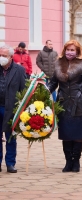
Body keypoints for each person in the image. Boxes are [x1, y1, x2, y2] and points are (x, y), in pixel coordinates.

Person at [48, 40, 82, 173]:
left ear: (78, 51)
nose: (69, 52)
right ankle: (68, 162)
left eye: (72, 50)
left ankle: (76, 161)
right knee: (66, 134)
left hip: (79, 103)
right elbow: (53, 84)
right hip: (63, 103)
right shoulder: (58, 64)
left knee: (78, 134)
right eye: (68, 49)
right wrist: (42, 91)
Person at [0, 45, 26, 173]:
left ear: (11, 57)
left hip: (11, 109)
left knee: (10, 137)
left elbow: (23, 90)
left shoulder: (19, 70)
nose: (1, 58)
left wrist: (21, 109)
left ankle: (10, 163)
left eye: (4, 56)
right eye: (0, 55)